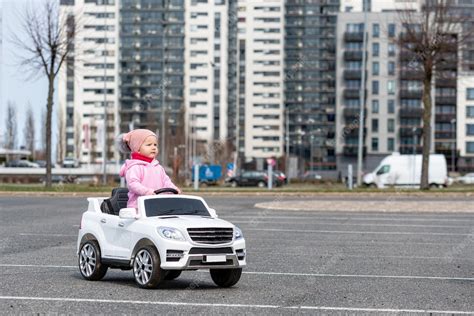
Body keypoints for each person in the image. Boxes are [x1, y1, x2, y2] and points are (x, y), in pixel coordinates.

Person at [118, 129, 180, 209]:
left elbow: (166, 181)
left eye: (155, 145)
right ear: (138, 149)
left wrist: (174, 189)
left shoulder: (158, 167)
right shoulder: (135, 167)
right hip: (138, 207)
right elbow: (133, 184)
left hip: (157, 205)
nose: (153, 147)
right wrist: (147, 192)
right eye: (149, 145)